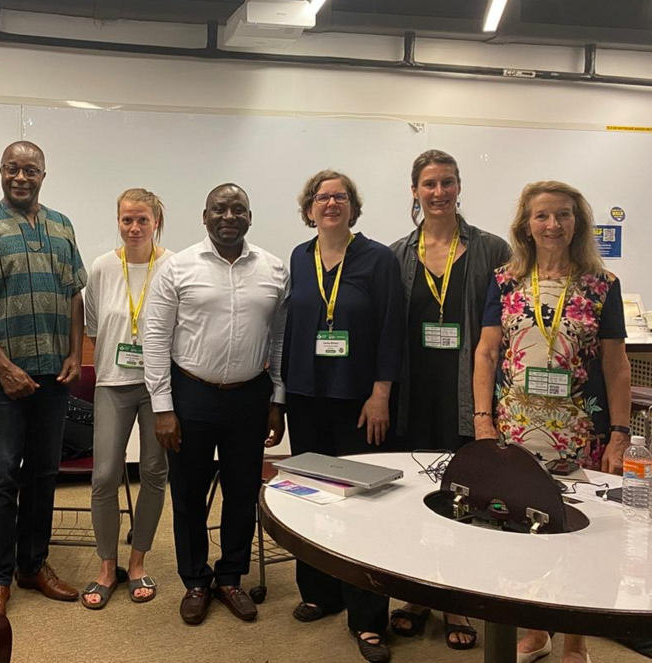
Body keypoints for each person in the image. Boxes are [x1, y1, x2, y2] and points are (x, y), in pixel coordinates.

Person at [473, 180, 630, 663]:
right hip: (514, 430)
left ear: (577, 222)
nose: (552, 225)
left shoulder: (602, 286)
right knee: (522, 529)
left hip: (581, 434)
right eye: (542, 216)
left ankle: (574, 644)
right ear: (526, 224)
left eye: (563, 215)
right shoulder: (504, 281)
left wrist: (621, 435)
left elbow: (616, 365)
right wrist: (482, 421)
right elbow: (486, 352)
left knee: (580, 535)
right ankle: (536, 630)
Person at [0, 141, 87, 616]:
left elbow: (73, 294)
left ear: (43, 174)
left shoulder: (62, 225)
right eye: (12, 169)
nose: (20, 177)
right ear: (0, 171)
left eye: (30, 170)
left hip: (52, 377)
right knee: (2, 479)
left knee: (44, 474)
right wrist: (4, 367)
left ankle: (34, 565)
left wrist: (75, 352)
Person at [144, 183, 289, 626]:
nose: (229, 216)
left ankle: (231, 578)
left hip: (250, 394)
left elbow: (280, 339)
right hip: (191, 394)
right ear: (205, 217)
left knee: (243, 491)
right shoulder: (178, 267)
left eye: (238, 209)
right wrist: (163, 407)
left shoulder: (274, 269)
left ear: (250, 216)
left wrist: (278, 398)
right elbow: (154, 337)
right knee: (187, 492)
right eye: (220, 209)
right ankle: (195, 580)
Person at [388, 149, 509, 648]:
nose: (439, 193)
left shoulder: (493, 250)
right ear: (414, 191)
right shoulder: (396, 253)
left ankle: (457, 603)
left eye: (448, 182)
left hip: (468, 393)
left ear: (459, 187)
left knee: (466, 496)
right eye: (429, 184)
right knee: (418, 495)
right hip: (415, 394)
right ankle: (417, 593)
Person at [281, 170, 403, 663]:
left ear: (354, 207)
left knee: (363, 504)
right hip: (307, 396)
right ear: (308, 207)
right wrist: (282, 396)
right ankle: (320, 593)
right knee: (311, 497)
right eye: (322, 197)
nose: (330, 203)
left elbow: (392, 329)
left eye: (340, 197)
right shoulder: (298, 256)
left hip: (359, 402)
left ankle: (369, 618)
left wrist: (381, 393)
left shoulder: (378, 259)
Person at [81, 188, 173, 609]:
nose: (134, 228)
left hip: (159, 386)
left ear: (157, 222)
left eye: (143, 220)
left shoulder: (173, 266)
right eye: (126, 220)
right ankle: (106, 566)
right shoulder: (101, 268)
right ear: (117, 222)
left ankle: (137, 563)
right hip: (113, 383)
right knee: (104, 476)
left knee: (154, 471)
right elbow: (96, 328)